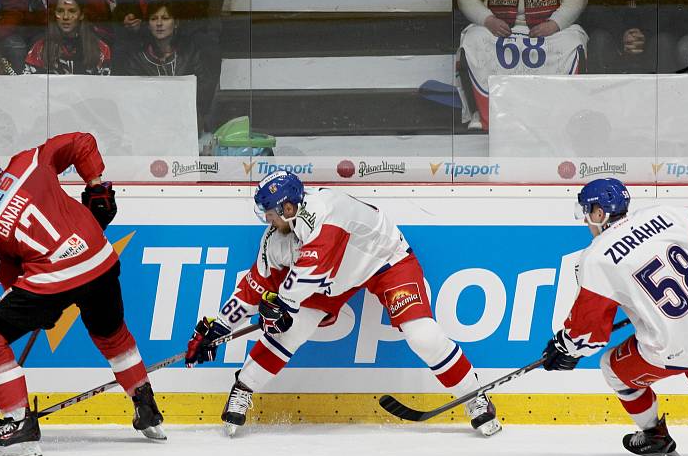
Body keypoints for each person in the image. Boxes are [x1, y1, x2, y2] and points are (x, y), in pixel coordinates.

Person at [183, 171, 502, 438]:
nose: (266, 219)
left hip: (384, 263)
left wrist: (282, 305)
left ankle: (475, 396)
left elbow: (313, 267)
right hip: (331, 280)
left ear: (290, 207)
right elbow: (254, 287)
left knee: (423, 336)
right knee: (286, 332)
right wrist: (220, 328)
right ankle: (243, 388)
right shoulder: (275, 239)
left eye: (270, 212)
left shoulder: (327, 211)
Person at [0, 132, 165, 456]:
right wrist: (96, 186)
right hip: (100, 258)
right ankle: (146, 407)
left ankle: (19, 426)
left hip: (52, 280)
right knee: (112, 335)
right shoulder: (26, 162)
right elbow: (81, 141)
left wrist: (41, 307)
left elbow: (11, 280)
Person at [540, 178, 688, 456]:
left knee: (612, 369)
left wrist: (564, 347)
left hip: (674, 348)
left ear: (599, 213)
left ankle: (654, 435)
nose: (585, 221)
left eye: (587, 212)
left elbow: (588, 334)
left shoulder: (596, 257)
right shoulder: (665, 214)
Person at [456, 0, 588, 131]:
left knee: (572, 42)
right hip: (497, 26)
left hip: (549, 28)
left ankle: (562, 117)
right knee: (473, 39)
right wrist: (487, 20)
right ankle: (482, 114)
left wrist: (555, 24)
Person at [120, 0, 213, 128]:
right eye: (153, 19)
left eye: (165, 18)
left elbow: (203, 90)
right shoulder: (137, 58)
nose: (159, 23)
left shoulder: (189, 53)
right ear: (148, 25)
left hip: (186, 124)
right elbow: (132, 98)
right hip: (148, 125)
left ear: (176, 23)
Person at [23, 0, 111, 75]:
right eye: (60, 11)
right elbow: (29, 85)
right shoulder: (39, 49)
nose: (65, 17)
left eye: (72, 11)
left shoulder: (101, 49)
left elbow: (104, 87)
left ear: (81, 15)